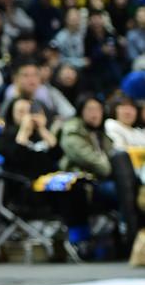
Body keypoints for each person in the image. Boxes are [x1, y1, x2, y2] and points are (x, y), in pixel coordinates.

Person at [59, 95, 141, 245]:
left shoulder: (101, 132)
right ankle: (130, 231)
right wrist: (113, 168)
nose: (95, 114)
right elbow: (95, 163)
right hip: (87, 181)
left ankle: (131, 231)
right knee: (122, 167)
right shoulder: (72, 131)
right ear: (81, 111)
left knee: (132, 186)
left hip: (109, 179)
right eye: (90, 109)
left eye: (98, 109)